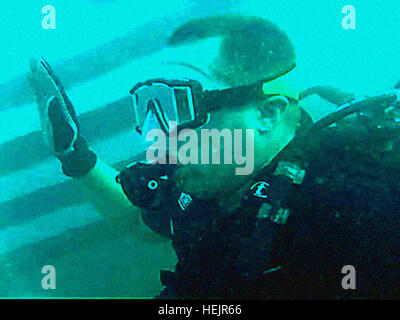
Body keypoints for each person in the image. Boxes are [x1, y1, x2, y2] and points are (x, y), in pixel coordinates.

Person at [29, 15, 400, 299]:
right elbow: (144, 225)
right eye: (151, 106)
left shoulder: (359, 209)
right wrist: (77, 159)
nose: (162, 135)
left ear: (267, 113)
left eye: (185, 105)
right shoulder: (214, 176)